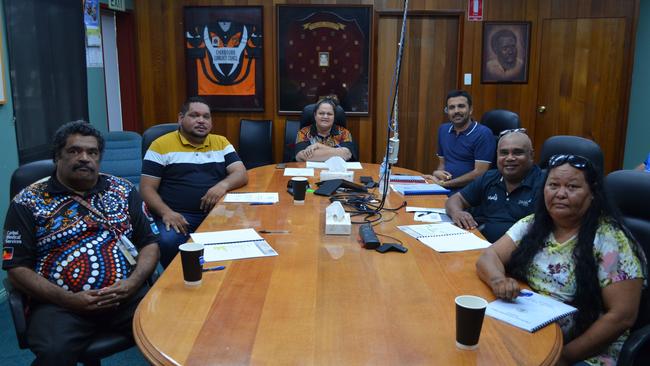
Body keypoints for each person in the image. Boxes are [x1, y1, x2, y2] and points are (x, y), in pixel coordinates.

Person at [2, 121, 160, 366]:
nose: (85, 158)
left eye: (92, 152)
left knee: (172, 329)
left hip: (125, 295)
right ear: (58, 157)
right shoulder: (27, 201)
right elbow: (16, 269)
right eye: (74, 151)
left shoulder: (123, 190)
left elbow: (149, 242)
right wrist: (69, 300)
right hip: (61, 304)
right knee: (54, 353)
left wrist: (133, 283)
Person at [476, 154, 646, 365]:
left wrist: (563, 357)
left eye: (573, 187)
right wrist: (497, 280)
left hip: (583, 351)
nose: (561, 194)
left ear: (592, 193)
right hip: (526, 328)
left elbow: (622, 316)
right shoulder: (534, 224)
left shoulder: (611, 240)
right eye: (553, 185)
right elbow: (489, 256)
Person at [140, 96, 248, 267]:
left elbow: (241, 172)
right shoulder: (160, 145)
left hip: (217, 213)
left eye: (206, 117)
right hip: (178, 215)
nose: (201, 120)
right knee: (167, 241)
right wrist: (166, 212)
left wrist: (222, 185)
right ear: (180, 118)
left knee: (245, 238)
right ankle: (177, 281)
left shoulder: (221, 142)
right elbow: (146, 188)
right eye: (194, 115)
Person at [445, 130, 544, 242]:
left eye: (517, 152)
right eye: (504, 153)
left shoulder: (544, 184)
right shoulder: (490, 177)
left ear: (531, 155)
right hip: (480, 244)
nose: (510, 158)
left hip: (520, 251)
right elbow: (456, 199)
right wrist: (457, 212)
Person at [424, 90, 495, 194]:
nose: (456, 111)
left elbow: (480, 173)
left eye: (461, 106)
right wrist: (437, 174)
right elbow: (442, 164)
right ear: (447, 111)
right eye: (451, 107)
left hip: (469, 193)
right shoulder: (443, 130)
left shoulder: (483, 133)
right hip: (444, 188)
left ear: (470, 109)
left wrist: (445, 184)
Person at [295, 97, 357, 162]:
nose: (325, 117)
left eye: (329, 114)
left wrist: (318, 146)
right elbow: (301, 157)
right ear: (315, 115)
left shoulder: (344, 133)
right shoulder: (304, 132)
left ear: (334, 117)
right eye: (321, 113)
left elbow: (346, 154)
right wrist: (338, 152)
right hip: (311, 171)